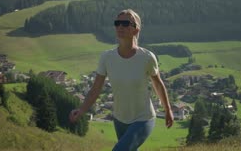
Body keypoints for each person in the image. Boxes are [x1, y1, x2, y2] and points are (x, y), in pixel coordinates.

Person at [69, 9, 174, 151]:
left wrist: (168, 110)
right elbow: (96, 89)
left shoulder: (147, 57)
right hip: (119, 119)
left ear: (136, 30)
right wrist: (81, 110)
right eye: (117, 23)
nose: (120, 27)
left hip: (143, 118)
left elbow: (158, 84)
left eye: (125, 23)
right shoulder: (107, 57)